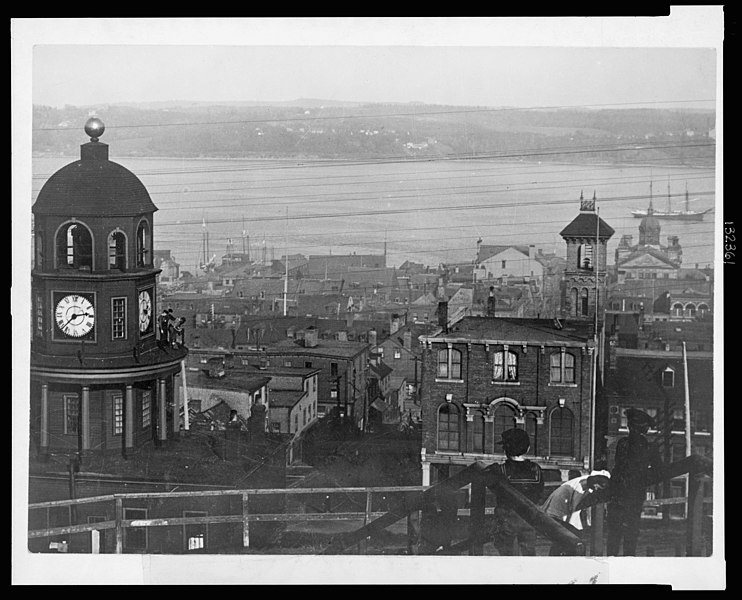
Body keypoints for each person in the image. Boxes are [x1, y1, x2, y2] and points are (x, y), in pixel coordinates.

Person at [606, 408, 664, 556]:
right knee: (630, 537)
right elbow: (660, 471)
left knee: (614, 537)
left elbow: (617, 469)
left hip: (618, 498)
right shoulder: (650, 448)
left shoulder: (622, 444)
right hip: (633, 499)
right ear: (644, 429)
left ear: (630, 427)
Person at [489, 427, 544, 556]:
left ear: (505, 450)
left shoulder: (499, 470)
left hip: (506, 519)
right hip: (529, 518)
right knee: (528, 553)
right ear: (528, 448)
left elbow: (494, 489)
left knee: (507, 555)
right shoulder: (536, 469)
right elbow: (539, 493)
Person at [542, 471, 611, 555]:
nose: (596, 489)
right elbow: (572, 510)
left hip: (562, 508)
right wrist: (573, 529)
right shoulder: (580, 487)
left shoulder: (588, 481)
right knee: (568, 537)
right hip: (558, 509)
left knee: (565, 538)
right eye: (597, 487)